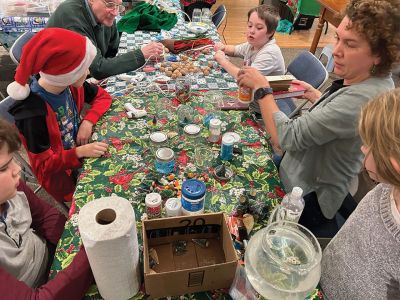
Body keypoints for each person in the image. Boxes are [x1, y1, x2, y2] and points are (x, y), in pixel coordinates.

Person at [237, 0, 400, 237]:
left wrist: (262, 90)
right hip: (309, 173)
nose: (336, 51)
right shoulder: (375, 79)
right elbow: (344, 120)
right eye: (338, 38)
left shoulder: (362, 98)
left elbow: (286, 139)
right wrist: (317, 96)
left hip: (307, 196)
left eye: (350, 44)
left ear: (379, 54)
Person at [7, 28, 111, 203]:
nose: (88, 73)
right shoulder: (32, 114)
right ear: (66, 73)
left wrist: (88, 121)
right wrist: (79, 152)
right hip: (61, 176)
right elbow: (44, 165)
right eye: (84, 69)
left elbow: (103, 96)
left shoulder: (69, 86)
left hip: (77, 151)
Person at [0, 119, 94, 299]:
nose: (18, 168)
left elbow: (45, 215)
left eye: (13, 159)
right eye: (4, 168)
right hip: (37, 287)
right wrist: (90, 254)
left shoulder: (14, 188)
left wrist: (70, 246)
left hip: (50, 257)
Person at [320, 88, 400, 298]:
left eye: (370, 144)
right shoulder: (385, 187)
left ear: (394, 163)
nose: (363, 149)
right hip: (321, 278)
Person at [46, 0, 164, 80]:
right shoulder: (71, 18)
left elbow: (112, 51)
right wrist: (141, 54)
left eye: (118, 5)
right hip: (59, 88)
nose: (116, 12)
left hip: (81, 78)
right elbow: (98, 69)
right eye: (110, 4)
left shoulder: (102, 14)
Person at [214, 4, 285, 114]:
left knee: (212, 104)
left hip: (260, 107)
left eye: (259, 28)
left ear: (271, 32)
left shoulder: (270, 53)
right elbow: (235, 50)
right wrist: (223, 48)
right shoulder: (254, 43)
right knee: (214, 96)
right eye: (250, 25)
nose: (251, 31)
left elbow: (245, 78)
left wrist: (223, 61)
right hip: (247, 95)